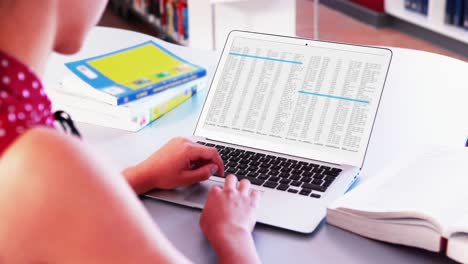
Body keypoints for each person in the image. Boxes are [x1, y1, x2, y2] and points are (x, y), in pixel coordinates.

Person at [0, 0, 261, 263]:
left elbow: (49, 213)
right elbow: (49, 192)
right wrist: (233, 233)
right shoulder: (42, 161)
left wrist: (139, 176)